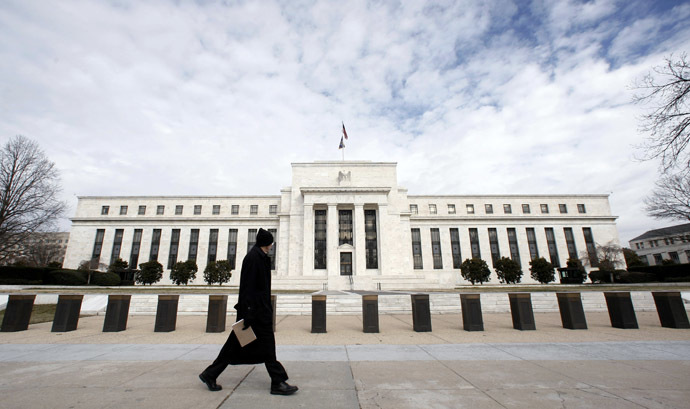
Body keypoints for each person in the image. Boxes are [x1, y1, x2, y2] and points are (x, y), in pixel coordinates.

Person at [199, 228, 298, 396]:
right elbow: (248, 287)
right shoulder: (254, 259)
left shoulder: (259, 257)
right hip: (255, 313)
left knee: (234, 347)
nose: (272, 245)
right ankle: (278, 382)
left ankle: (210, 374)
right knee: (267, 347)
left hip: (257, 311)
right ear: (266, 243)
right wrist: (249, 313)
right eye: (271, 242)